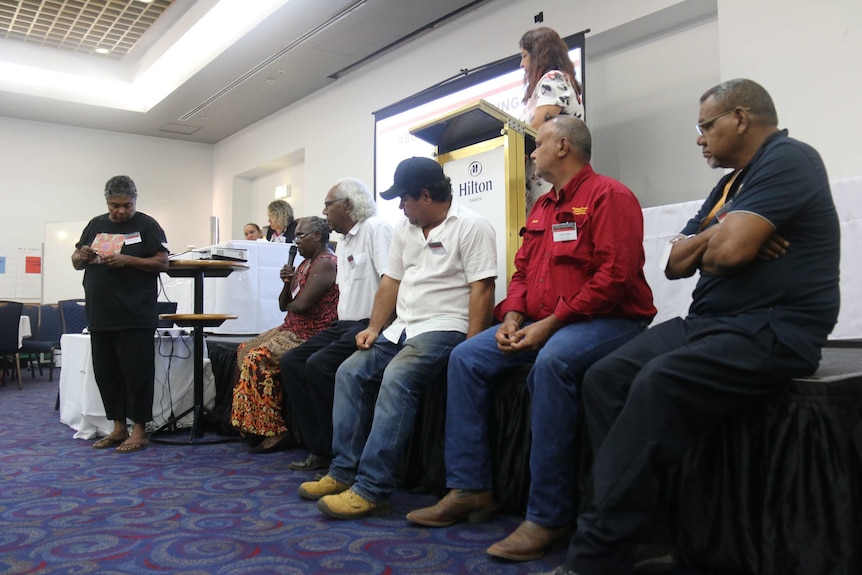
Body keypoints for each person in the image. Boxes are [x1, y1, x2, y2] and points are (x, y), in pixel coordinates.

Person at [545, 79, 841, 575]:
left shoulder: (789, 159)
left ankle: (596, 554)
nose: (699, 138)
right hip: (711, 322)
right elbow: (674, 264)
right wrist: (722, 228)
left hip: (773, 327)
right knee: (604, 378)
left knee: (657, 382)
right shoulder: (731, 184)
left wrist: (721, 237)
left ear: (740, 119)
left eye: (706, 126)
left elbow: (729, 253)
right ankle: (646, 530)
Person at [406, 116, 656, 562]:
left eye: (537, 145)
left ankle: (548, 515)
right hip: (543, 320)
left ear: (563, 146)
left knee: (553, 362)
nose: (532, 153)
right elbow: (522, 272)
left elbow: (614, 278)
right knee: (465, 357)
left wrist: (551, 324)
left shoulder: (610, 196)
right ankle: (470, 489)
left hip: (609, 321)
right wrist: (514, 316)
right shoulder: (542, 208)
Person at [297, 157, 498, 520]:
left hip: (445, 327)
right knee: (348, 372)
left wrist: (471, 346)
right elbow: (390, 282)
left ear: (425, 194)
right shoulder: (406, 230)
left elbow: (482, 289)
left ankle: (373, 489)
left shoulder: (471, 226)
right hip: (402, 327)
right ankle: (343, 472)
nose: (401, 207)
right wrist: (374, 328)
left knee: (396, 378)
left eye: (404, 199)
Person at [280, 178, 392, 472]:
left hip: (370, 322)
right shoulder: (342, 243)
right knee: (292, 361)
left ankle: (335, 451)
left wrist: (379, 326)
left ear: (349, 205)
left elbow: (389, 282)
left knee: (318, 365)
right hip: (343, 324)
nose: (325, 211)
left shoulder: (376, 229)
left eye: (329, 205)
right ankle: (319, 446)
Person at [71, 175, 169, 453]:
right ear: (107, 202)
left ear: (135, 201)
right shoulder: (96, 224)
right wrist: (82, 255)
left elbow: (163, 262)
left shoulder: (147, 225)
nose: (121, 211)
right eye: (115, 205)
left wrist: (128, 260)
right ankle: (118, 427)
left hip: (135, 313)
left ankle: (139, 430)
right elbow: (76, 260)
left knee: (136, 373)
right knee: (107, 373)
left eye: (127, 205)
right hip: (101, 312)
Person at [230, 216, 339, 453]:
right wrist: (286, 283)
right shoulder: (304, 264)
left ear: (317, 236)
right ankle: (251, 425)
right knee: (243, 349)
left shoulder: (326, 263)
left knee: (258, 357)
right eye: (296, 236)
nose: (296, 241)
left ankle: (276, 431)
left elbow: (302, 306)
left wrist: (292, 300)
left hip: (312, 331)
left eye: (301, 236)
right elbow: (284, 304)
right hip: (292, 325)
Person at [518, 26, 584, 212]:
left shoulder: (553, 78)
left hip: (553, 181)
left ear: (539, 55)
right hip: (542, 184)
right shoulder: (541, 88)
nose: (521, 64)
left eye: (524, 56)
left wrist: (517, 151)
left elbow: (539, 126)